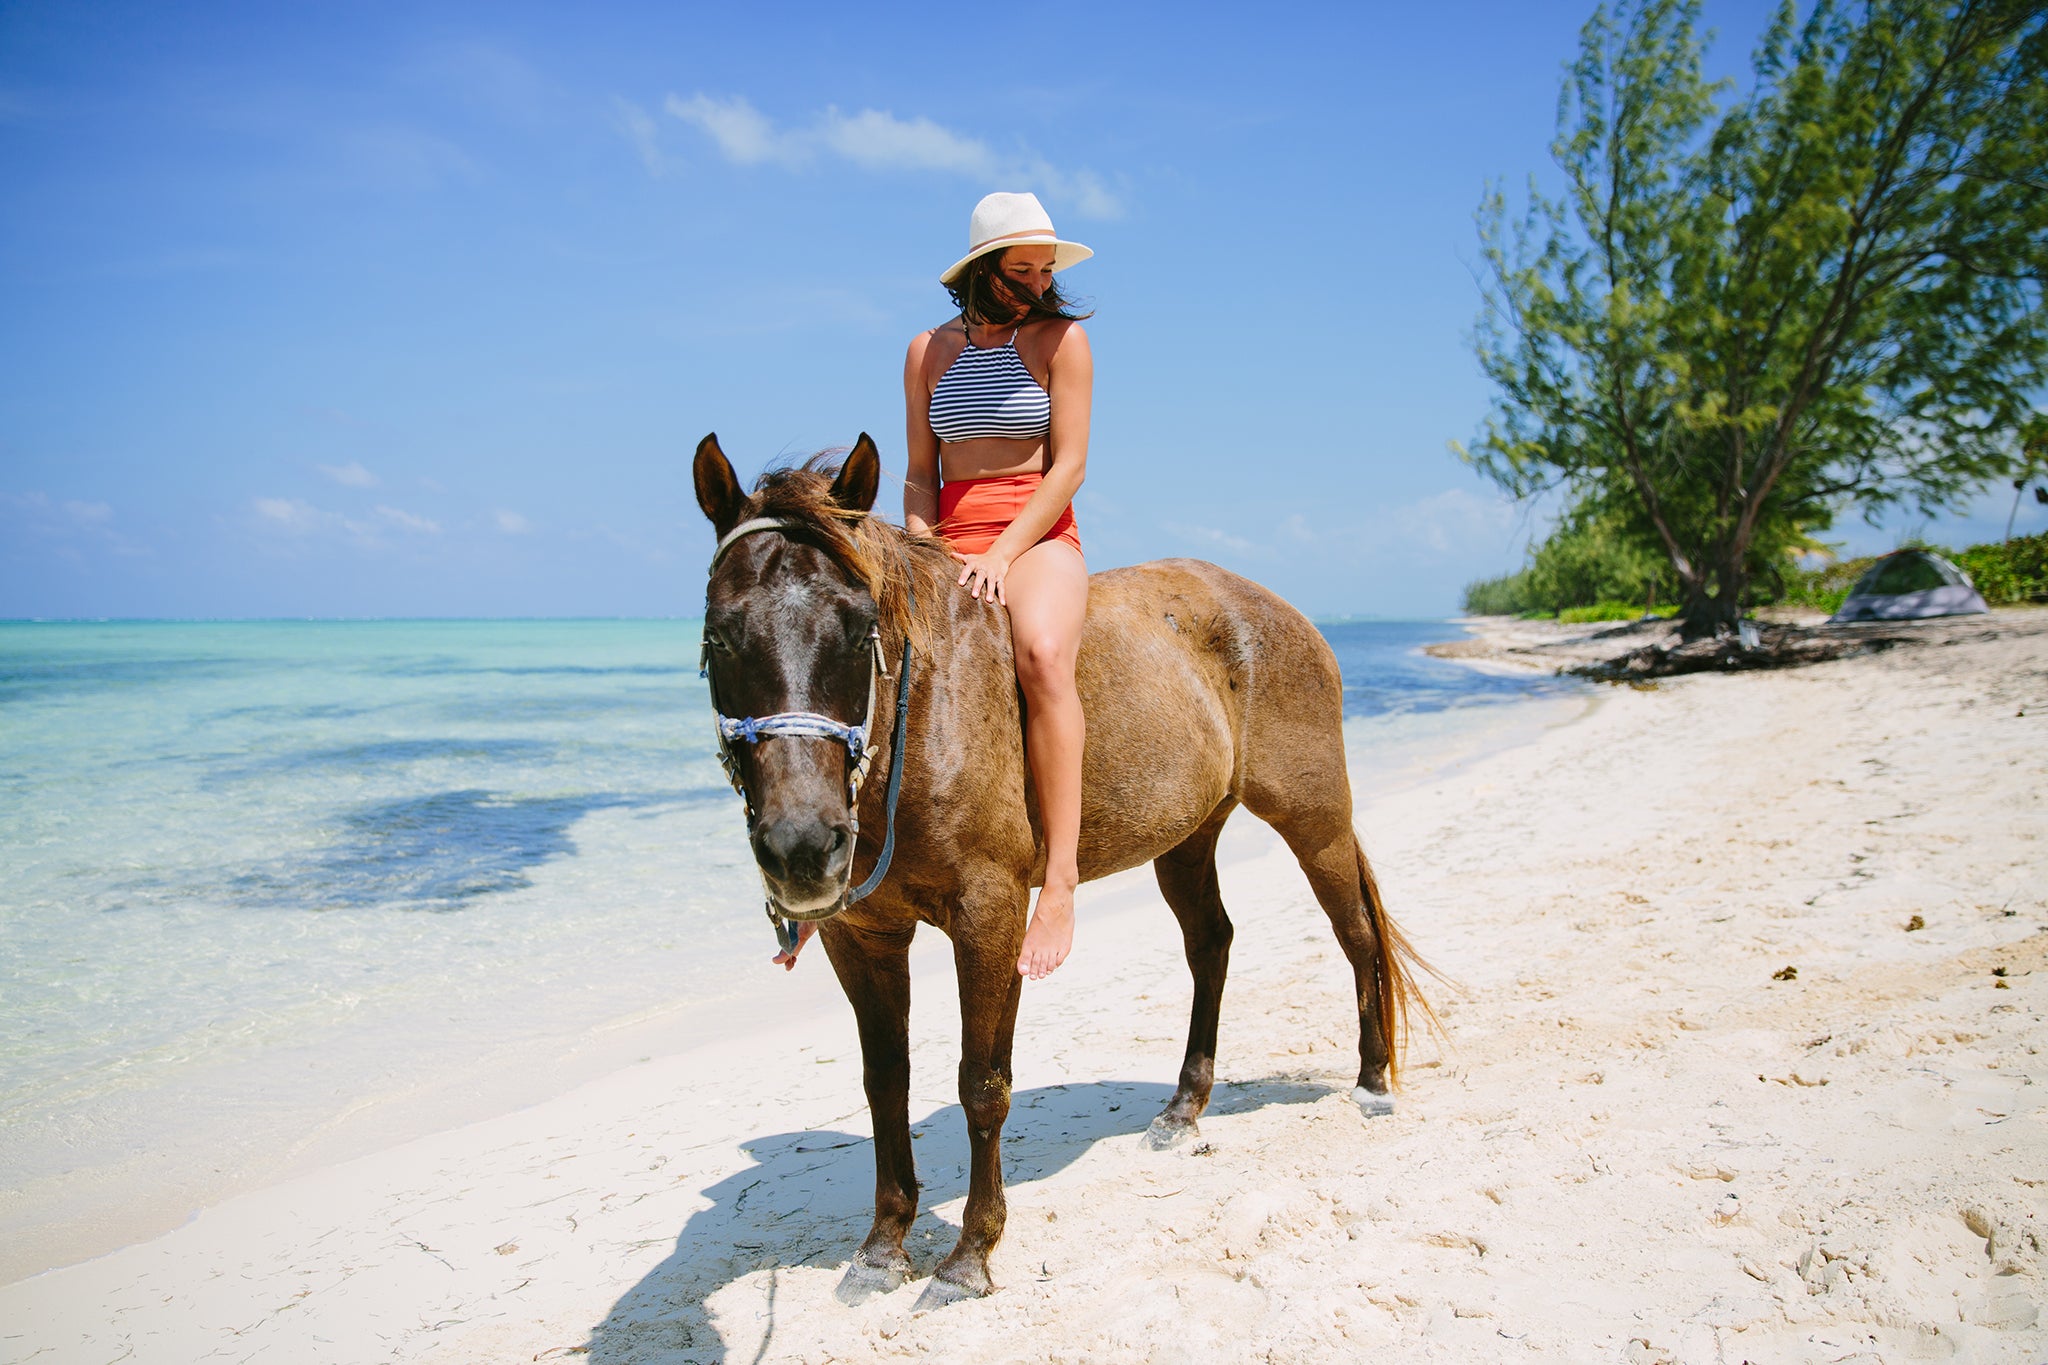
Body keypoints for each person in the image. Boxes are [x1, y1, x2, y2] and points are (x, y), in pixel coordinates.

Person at [905, 191, 1094, 981]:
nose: (1040, 283)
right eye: (1024, 270)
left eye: (1047, 269)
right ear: (984, 270)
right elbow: (920, 474)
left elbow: (1069, 467)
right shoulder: (925, 350)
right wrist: (924, 553)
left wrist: (1005, 553)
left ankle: (1059, 878)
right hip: (948, 537)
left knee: (1044, 656)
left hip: (1039, 531)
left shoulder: (1063, 341)